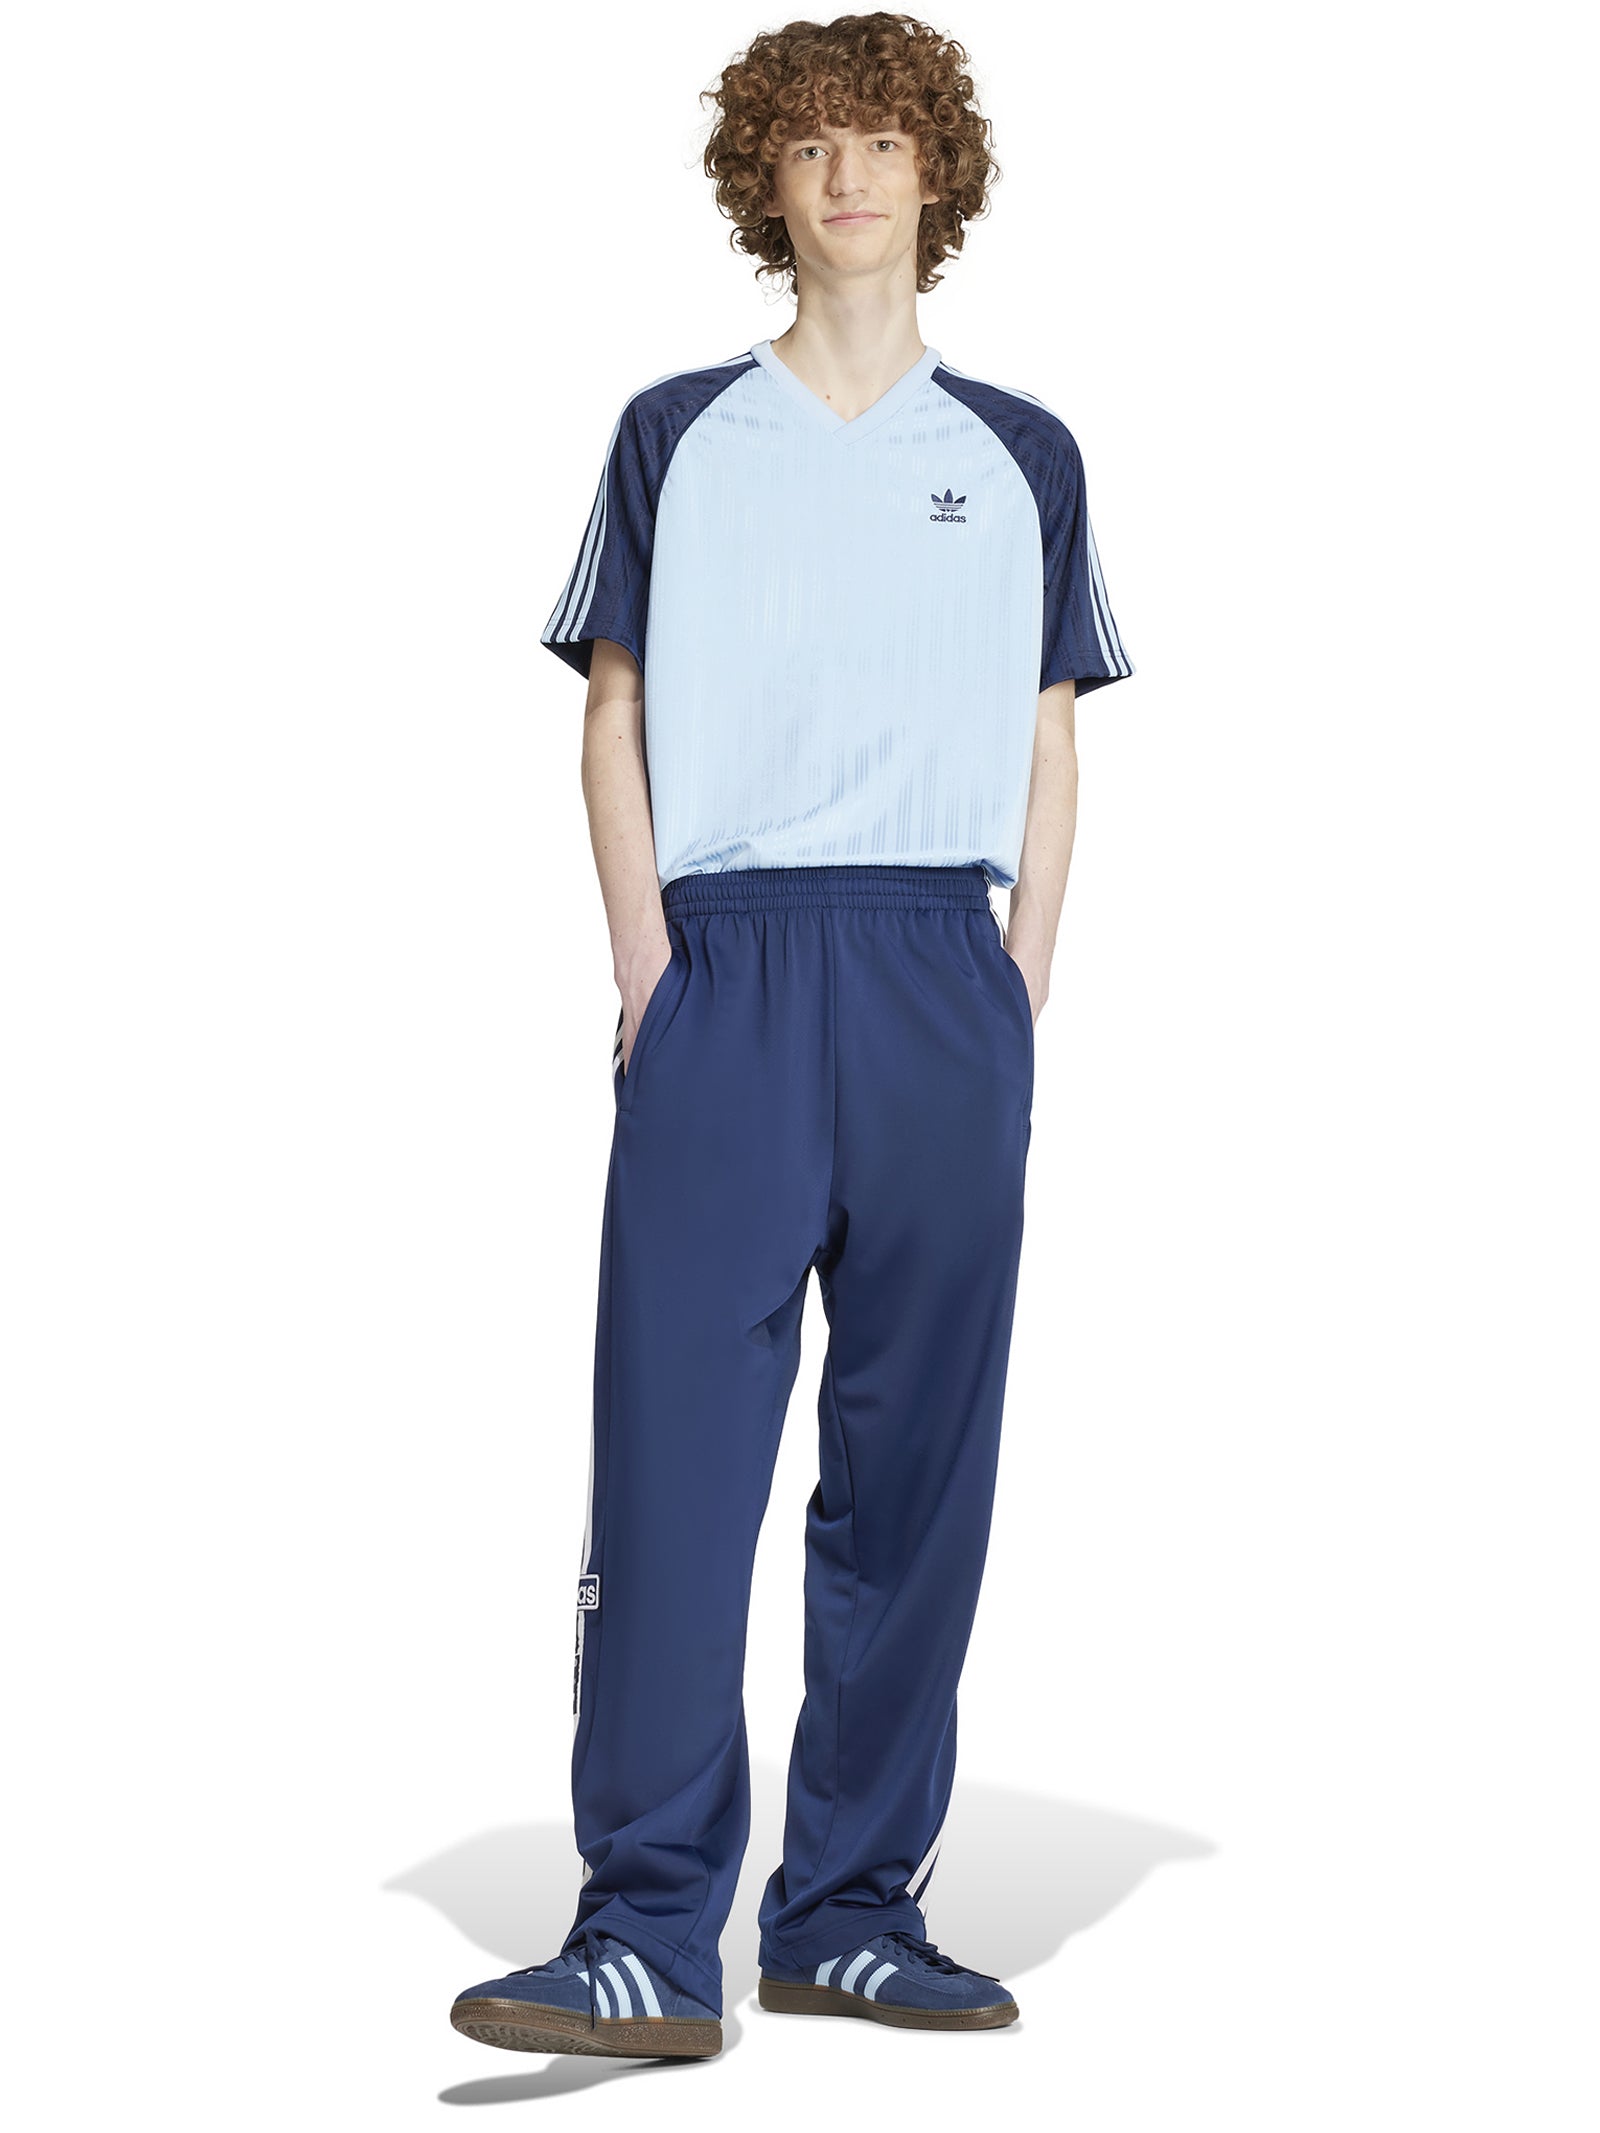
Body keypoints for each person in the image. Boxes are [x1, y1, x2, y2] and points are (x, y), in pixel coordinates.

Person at [451, 11, 1133, 2060]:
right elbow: (611, 709)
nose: (848, 175)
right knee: (673, 1460)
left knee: (915, 1471)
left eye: (884, 141)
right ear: (767, 177)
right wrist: (647, 967)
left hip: (941, 969)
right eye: (812, 143)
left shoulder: (1021, 454)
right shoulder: (674, 434)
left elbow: (1048, 733)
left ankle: (845, 1909)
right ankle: (643, 1927)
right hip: (727, 971)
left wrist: (1016, 986)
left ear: (937, 178)